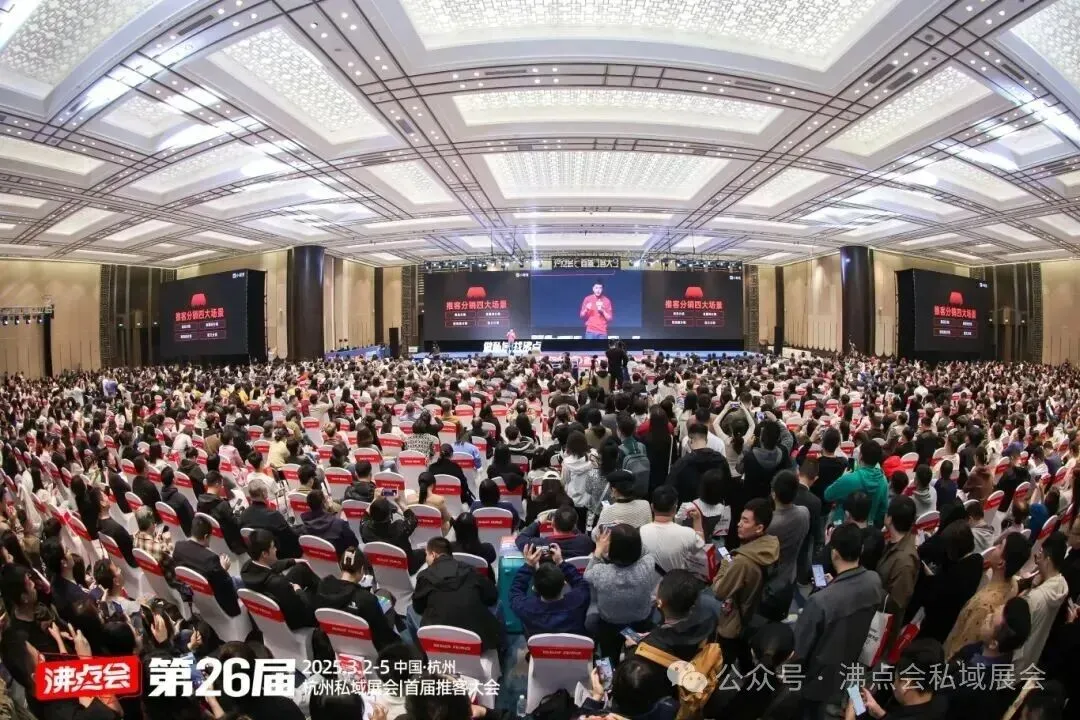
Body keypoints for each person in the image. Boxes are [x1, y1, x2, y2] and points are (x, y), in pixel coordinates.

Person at [794, 522, 884, 715]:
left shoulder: (819, 601)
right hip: (851, 661)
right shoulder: (874, 581)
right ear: (861, 549)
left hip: (818, 674)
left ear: (834, 553)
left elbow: (801, 648)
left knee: (809, 710)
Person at [707, 498, 780, 670]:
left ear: (759, 528)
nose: (739, 524)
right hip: (752, 611)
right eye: (740, 519)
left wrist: (725, 565)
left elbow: (719, 591)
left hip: (734, 620)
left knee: (722, 663)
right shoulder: (770, 545)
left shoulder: (742, 562)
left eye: (745, 521)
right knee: (744, 650)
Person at [944, 531, 1029, 658]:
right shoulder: (1013, 584)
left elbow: (963, 644)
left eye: (1000, 546)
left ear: (1001, 563)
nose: (995, 547)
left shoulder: (984, 604)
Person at [410, 537, 500, 651]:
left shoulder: (424, 576)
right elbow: (492, 596)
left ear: (433, 555)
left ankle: (424, 654)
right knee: (498, 604)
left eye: (426, 555)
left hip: (439, 643)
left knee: (409, 610)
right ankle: (501, 650)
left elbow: (418, 608)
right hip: (478, 642)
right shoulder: (470, 569)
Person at [584, 524, 658, 664]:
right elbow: (645, 551)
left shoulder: (600, 572)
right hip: (639, 622)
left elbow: (587, 575)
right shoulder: (647, 565)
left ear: (612, 550)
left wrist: (599, 549)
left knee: (608, 656)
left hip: (609, 623)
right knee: (637, 655)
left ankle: (607, 676)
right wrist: (628, 537)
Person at [948, 597, 1032, 718]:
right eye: (993, 612)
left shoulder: (977, 688)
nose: (987, 616)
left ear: (993, 644)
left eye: (991, 621)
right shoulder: (980, 649)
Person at [631, 569, 718, 684]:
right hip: (693, 654)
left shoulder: (657, 635)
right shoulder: (713, 605)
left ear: (661, 603)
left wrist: (634, 645)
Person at [314, 546, 398, 651]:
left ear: (340, 565)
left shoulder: (323, 586)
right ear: (362, 570)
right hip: (369, 648)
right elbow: (383, 633)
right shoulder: (367, 599)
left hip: (334, 643)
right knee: (385, 596)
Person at [848, 639, 948, 720]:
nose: (894, 684)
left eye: (895, 679)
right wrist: (882, 715)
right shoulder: (939, 705)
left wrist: (850, 715)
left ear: (906, 684)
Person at [240, 528, 320, 630]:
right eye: (273, 547)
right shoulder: (278, 583)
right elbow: (300, 608)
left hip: (275, 606)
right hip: (293, 619)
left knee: (301, 568)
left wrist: (292, 561)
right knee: (317, 596)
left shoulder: (247, 569)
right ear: (264, 554)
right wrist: (298, 590)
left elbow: (269, 567)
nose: (276, 549)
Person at [1012, 531, 1069, 673]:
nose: (1037, 556)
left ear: (1048, 560)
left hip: (1015, 660)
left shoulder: (1034, 598)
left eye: (1041, 553)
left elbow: (1014, 620)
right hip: (1033, 655)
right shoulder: (1061, 585)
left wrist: (1027, 591)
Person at [510, 542, 590, 637]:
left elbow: (515, 591)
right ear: (564, 584)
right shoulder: (579, 601)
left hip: (538, 646)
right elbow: (581, 583)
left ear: (534, 588)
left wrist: (528, 565)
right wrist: (560, 562)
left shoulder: (525, 608)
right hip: (575, 646)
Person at [173, 513, 241, 616]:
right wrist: (223, 569)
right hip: (220, 603)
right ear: (205, 537)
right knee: (243, 580)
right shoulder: (210, 559)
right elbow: (226, 585)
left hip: (197, 598)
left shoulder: (178, 547)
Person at [767, 470, 810, 613]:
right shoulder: (804, 513)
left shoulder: (769, 524)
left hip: (770, 578)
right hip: (791, 573)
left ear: (774, 494)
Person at [875, 496, 920, 636]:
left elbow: (896, 603)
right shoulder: (893, 543)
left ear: (889, 519)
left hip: (882, 628)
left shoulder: (905, 561)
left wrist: (869, 587)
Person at [826, 439, 888, 526]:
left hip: (844, 526)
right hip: (869, 526)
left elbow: (828, 495)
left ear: (860, 455)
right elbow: (883, 509)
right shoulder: (883, 480)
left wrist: (842, 477)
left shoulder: (849, 478)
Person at [666, 423, 729, 506]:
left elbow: (670, 489)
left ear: (690, 441)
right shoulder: (720, 460)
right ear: (706, 440)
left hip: (689, 509)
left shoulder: (682, 464)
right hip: (716, 508)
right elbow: (728, 487)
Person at [239, 476, 301, 559]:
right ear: (264, 493)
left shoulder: (243, 515)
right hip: (280, 555)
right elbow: (291, 537)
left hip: (259, 555)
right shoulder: (273, 515)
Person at [359, 496, 425, 575]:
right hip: (407, 568)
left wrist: (375, 498)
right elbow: (413, 519)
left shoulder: (365, 529)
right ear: (389, 515)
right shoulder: (400, 528)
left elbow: (365, 515)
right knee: (425, 551)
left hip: (381, 568)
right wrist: (399, 501)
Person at [515, 504, 596, 559]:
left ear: (552, 524)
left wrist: (538, 522)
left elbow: (520, 539)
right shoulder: (586, 542)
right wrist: (570, 524)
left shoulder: (543, 545)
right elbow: (578, 534)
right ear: (574, 525)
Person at [196, 470, 246, 555]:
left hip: (213, 541)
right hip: (231, 544)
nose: (222, 487)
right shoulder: (222, 505)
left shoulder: (200, 502)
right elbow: (236, 524)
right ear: (217, 484)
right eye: (221, 484)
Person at [592, 470, 653, 538]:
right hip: (641, 543)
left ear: (614, 489)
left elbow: (596, 536)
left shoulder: (607, 511)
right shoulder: (645, 504)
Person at [300, 489, 360, 557]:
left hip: (315, 562)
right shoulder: (340, 524)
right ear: (324, 503)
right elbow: (354, 544)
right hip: (340, 560)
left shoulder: (303, 529)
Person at [159, 465, 194, 535]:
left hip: (174, 531)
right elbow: (192, 517)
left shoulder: (162, 495)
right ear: (173, 480)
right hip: (187, 532)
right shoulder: (181, 499)